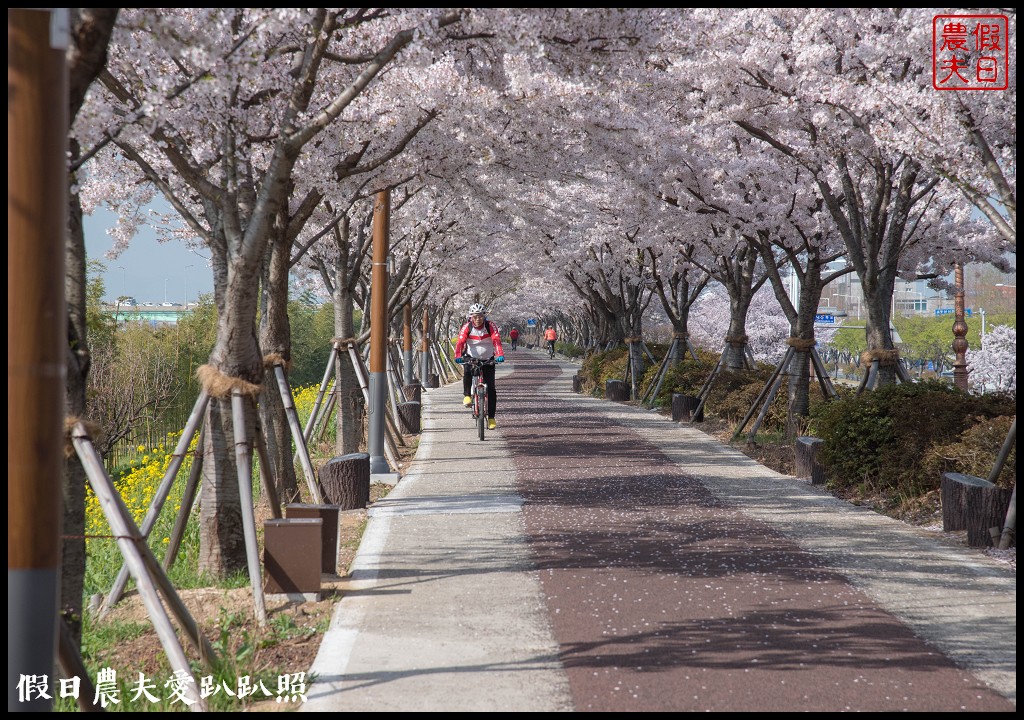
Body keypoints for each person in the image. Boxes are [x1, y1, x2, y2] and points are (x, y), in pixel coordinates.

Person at [454, 303, 504, 430]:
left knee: (491, 388)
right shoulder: (467, 327)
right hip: (472, 357)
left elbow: (496, 340)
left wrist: (499, 354)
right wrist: (458, 355)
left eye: (480, 316)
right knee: (468, 372)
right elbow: (460, 342)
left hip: (488, 359)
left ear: (484, 316)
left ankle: (491, 417)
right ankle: (467, 395)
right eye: (475, 316)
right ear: (471, 317)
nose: (478, 319)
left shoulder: (490, 326)